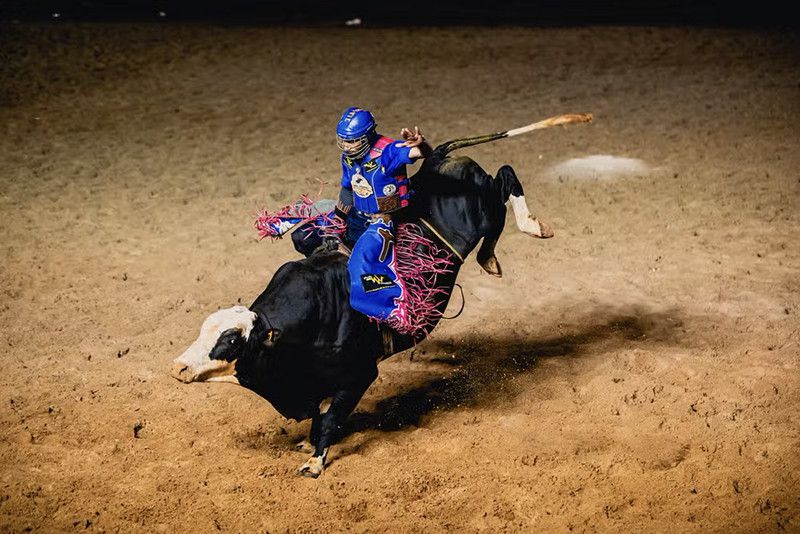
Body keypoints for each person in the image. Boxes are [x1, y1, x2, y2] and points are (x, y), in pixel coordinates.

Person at [333, 107, 431, 322]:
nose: (347, 147)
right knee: (307, 235)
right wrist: (337, 220)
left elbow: (420, 153)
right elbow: (348, 188)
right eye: (344, 141)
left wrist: (420, 144)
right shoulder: (348, 158)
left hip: (383, 222)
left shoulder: (389, 152)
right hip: (358, 215)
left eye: (352, 141)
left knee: (362, 265)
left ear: (367, 136)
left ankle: (393, 312)